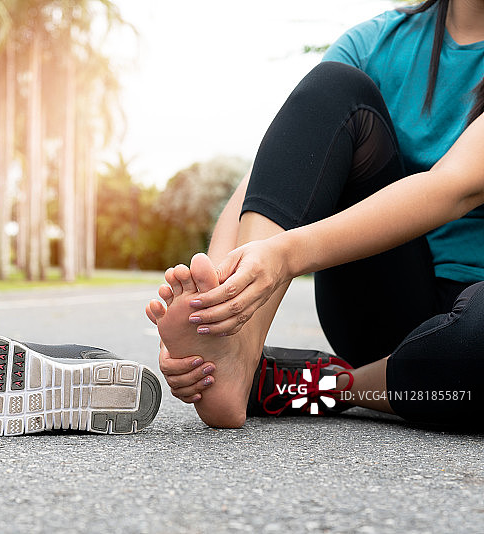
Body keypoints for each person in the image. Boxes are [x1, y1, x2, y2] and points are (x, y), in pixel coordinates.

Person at [146, 0, 484, 429]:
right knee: (333, 86)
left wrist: (285, 254)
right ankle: (239, 353)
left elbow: (456, 187)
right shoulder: (376, 41)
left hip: (473, 322)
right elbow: (278, 169)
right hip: (383, 306)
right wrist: (214, 310)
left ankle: (320, 387)